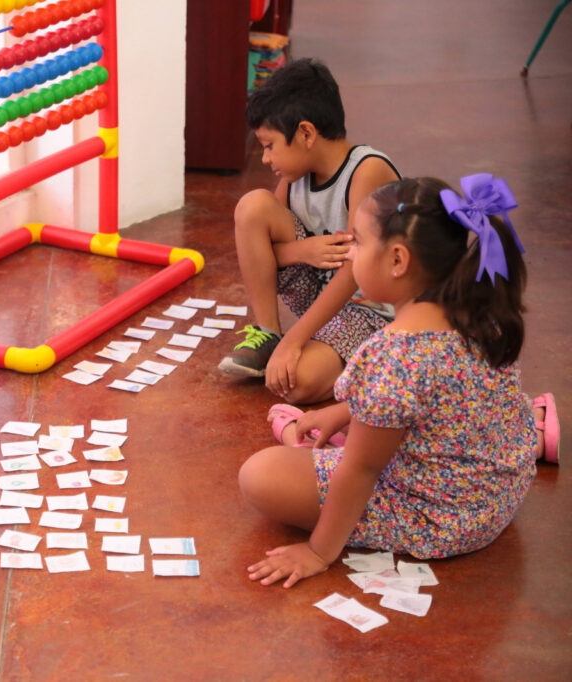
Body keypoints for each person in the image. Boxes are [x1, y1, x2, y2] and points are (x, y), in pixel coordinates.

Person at [239, 174, 560, 588]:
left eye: (357, 241)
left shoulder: (393, 355)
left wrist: (319, 552)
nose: (350, 254)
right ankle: (535, 427)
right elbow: (443, 401)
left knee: (260, 475)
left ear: (397, 260)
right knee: (360, 430)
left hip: (439, 517)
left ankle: (343, 440)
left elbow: (361, 469)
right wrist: (348, 410)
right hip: (495, 499)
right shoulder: (479, 312)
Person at [219, 58, 401, 405]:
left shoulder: (367, 170)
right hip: (322, 301)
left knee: (293, 384)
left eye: (269, 145)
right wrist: (303, 251)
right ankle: (270, 334)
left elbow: (352, 272)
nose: (265, 159)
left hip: (368, 311)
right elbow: (264, 245)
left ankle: (380, 361)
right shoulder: (294, 178)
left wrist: (296, 341)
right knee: (252, 206)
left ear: (305, 133)